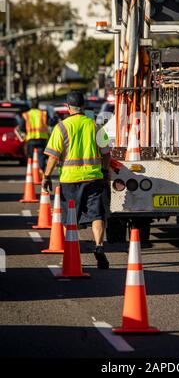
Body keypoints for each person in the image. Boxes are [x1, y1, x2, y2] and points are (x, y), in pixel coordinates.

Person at [42, 91, 111, 269]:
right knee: (97, 215)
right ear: (84, 106)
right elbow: (106, 152)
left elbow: (52, 156)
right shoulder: (95, 126)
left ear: (67, 107)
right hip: (93, 177)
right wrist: (104, 170)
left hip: (69, 180)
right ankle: (99, 246)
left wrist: (46, 176)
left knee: (70, 219)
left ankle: (71, 251)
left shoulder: (61, 127)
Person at [19, 98, 51, 175]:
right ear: (38, 105)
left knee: (31, 157)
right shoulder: (43, 113)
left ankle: (33, 172)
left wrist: (24, 132)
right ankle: (42, 171)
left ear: (31, 105)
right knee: (41, 157)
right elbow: (50, 122)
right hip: (42, 139)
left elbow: (21, 127)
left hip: (31, 139)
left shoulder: (26, 114)